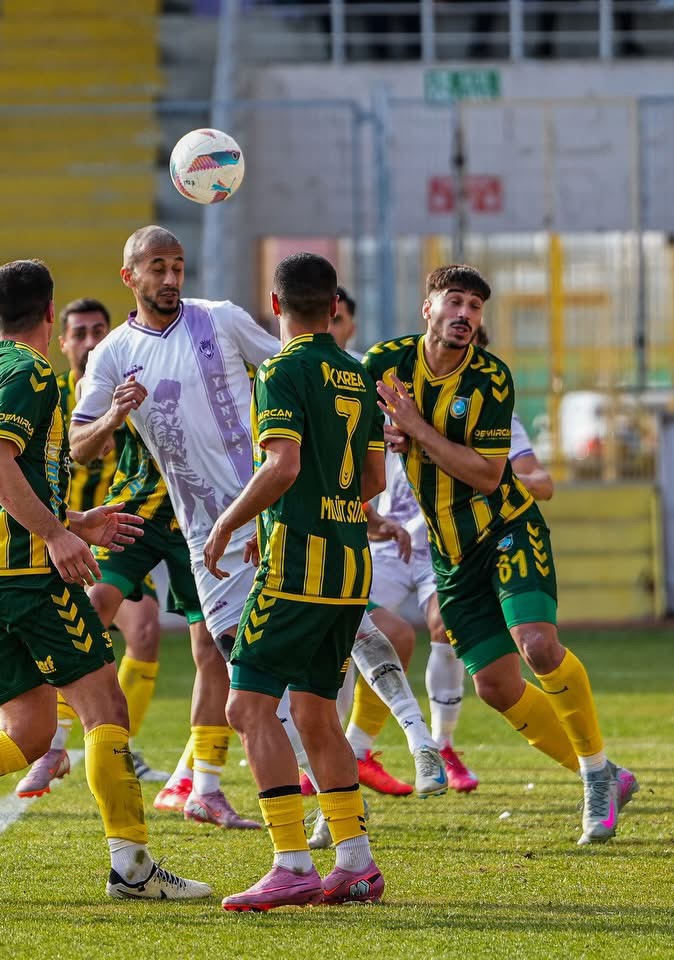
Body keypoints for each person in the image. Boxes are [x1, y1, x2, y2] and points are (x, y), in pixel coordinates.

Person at [0, 259, 212, 902]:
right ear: (50, 315)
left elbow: (6, 480)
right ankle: (132, 867)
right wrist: (56, 536)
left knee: (27, 733)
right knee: (105, 705)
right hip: (26, 574)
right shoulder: (32, 375)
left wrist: (77, 519)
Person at [364, 264, 638, 845]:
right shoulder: (383, 363)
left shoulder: (490, 379)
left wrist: (414, 427)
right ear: (428, 309)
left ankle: (593, 773)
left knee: (537, 644)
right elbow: (358, 435)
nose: (465, 315)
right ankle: (608, 777)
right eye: (455, 302)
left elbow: (488, 475)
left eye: (476, 308)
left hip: (507, 526)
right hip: (451, 552)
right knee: (493, 686)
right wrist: (380, 439)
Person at [70, 226, 281, 827]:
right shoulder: (112, 354)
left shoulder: (220, 319)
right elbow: (81, 447)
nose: (169, 279)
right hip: (195, 528)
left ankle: (303, 792)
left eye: (178, 266)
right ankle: (219, 786)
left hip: (263, 513)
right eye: (156, 267)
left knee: (269, 654)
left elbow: (287, 369)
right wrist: (114, 412)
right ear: (129, 276)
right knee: (230, 651)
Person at [203, 252, 388, 911]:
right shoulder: (356, 373)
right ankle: (355, 863)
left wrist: (228, 521)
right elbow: (373, 483)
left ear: (275, 306)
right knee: (313, 712)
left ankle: (290, 863)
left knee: (247, 706)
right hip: (348, 567)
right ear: (334, 307)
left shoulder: (281, 370)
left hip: (298, 568)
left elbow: (281, 465)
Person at [350, 321, 556, 795]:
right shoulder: (398, 404)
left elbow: (541, 482)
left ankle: (440, 744)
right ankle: (351, 749)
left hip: (444, 548)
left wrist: (480, 469)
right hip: (386, 542)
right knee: (352, 628)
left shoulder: (496, 418)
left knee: (446, 624)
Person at [15, 297, 177, 795]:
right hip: (55, 534)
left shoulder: (127, 380)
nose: (89, 342)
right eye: (79, 333)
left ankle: (122, 746)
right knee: (42, 634)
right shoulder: (57, 394)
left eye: (98, 332)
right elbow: (81, 451)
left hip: (121, 525)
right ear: (61, 341)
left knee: (147, 631)